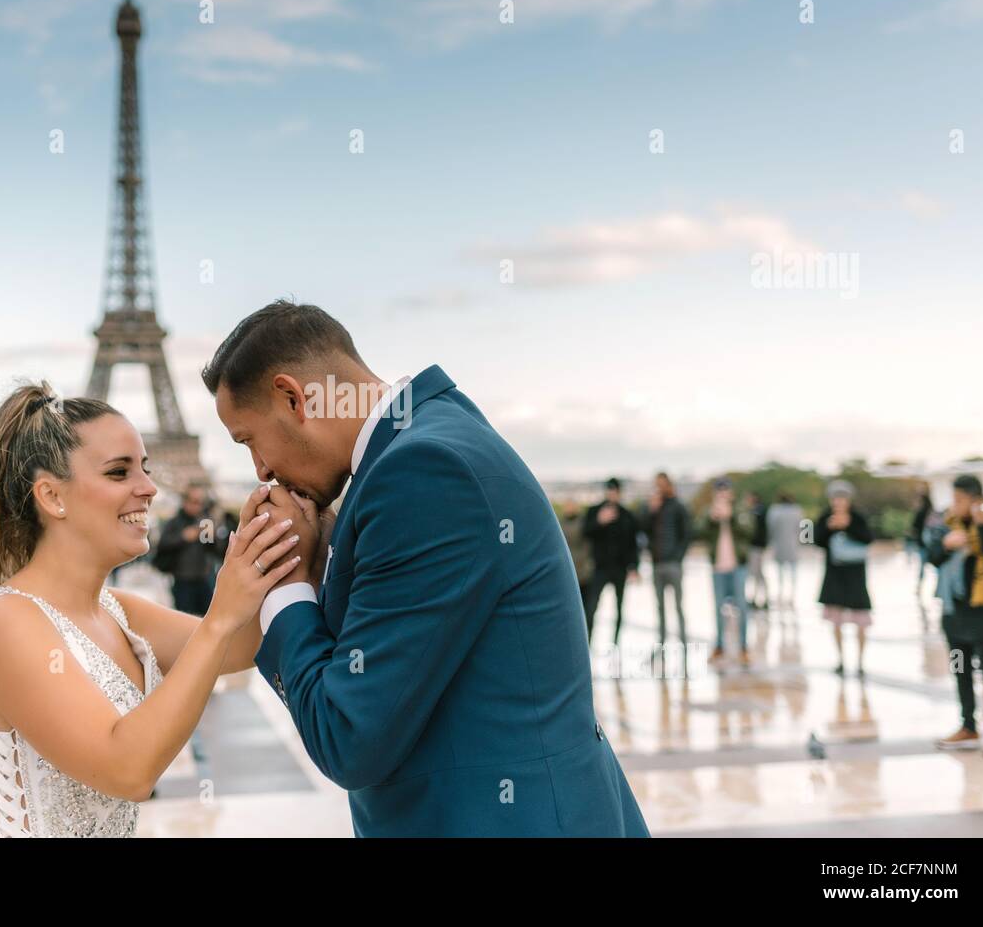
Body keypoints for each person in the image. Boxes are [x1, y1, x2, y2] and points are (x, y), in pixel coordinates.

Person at [202, 301, 648, 836]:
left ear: (294, 398)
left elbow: (348, 738)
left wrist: (287, 585)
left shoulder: (420, 474)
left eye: (248, 439)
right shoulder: (430, 442)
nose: (261, 470)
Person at [0, 382, 301, 837]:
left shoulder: (119, 612)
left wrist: (288, 543)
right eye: (119, 472)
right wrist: (220, 613)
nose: (150, 488)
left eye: (145, 469)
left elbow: (247, 644)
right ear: (52, 496)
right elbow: (129, 770)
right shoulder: (6, 621)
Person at [928, 475, 983, 758]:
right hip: (955, 613)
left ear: (975, 499)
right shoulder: (950, 522)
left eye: (960, 499)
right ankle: (968, 726)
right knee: (960, 669)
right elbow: (932, 557)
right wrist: (947, 545)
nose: (955, 504)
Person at [813, 480, 873, 677]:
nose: (838, 502)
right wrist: (829, 528)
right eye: (835, 498)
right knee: (836, 619)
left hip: (856, 575)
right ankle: (840, 659)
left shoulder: (858, 517)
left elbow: (868, 537)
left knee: (860, 619)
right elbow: (815, 539)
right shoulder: (825, 517)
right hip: (835, 574)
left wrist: (848, 527)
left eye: (842, 498)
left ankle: (861, 662)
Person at [581, 478, 639, 647]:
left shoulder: (627, 515)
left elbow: (632, 545)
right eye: (610, 490)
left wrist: (634, 567)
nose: (612, 493)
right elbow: (586, 532)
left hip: (620, 569)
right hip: (599, 568)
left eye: (615, 490)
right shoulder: (595, 511)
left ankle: (615, 644)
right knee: (591, 608)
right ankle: (587, 643)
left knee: (619, 609)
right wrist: (600, 522)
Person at [701, 479, 753, 667]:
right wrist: (712, 519)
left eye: (725, 490)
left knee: (741, 607)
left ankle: (744, 647)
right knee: (718, 609)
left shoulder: (740, 510)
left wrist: (731, 518)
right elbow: (698, 531)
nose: (722, 494)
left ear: (731, 492)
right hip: (718, 567)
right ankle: (719, 646)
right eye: (719, 491)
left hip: (738, 565)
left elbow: (750, 531)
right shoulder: (709, 511)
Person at [644, 472, 691, 660]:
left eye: (662, 484)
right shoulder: (655, 507)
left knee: (678, 607)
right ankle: (661, 646)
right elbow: (643, 530)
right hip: (657, 563)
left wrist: (677, 557)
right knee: (660, 608)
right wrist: (651, 512)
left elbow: (687, 534)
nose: (659, 488)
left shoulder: (679, 506)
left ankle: (684, 646)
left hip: (673, 564)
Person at [153, 486, 218, 617]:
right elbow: (162, 545)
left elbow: (215, 550)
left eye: (200, 502)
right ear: (185, 501)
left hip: (204, 578)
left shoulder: (205, 521)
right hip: (182, 579)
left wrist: (212, 537)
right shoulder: (175, 522)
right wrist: (183, 537)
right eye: (194, 501)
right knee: (184, 618)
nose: (197, 506)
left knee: (207, 617)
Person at [765, 492, 803, 607]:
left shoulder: (775, 511)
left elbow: (770, 527)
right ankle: (792, 596)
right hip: (793, 545)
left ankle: (781, 595)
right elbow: (803, 528)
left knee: (780, 573)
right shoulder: (797, 511)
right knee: (793, 573)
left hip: (779, 545)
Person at [745, 490, 769, 610]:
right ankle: (759, 597)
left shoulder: (758, 511)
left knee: (756, 573)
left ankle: (759, 598)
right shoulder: (759, 510)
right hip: (757, 546)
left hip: (756, 546)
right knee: (757, 573)